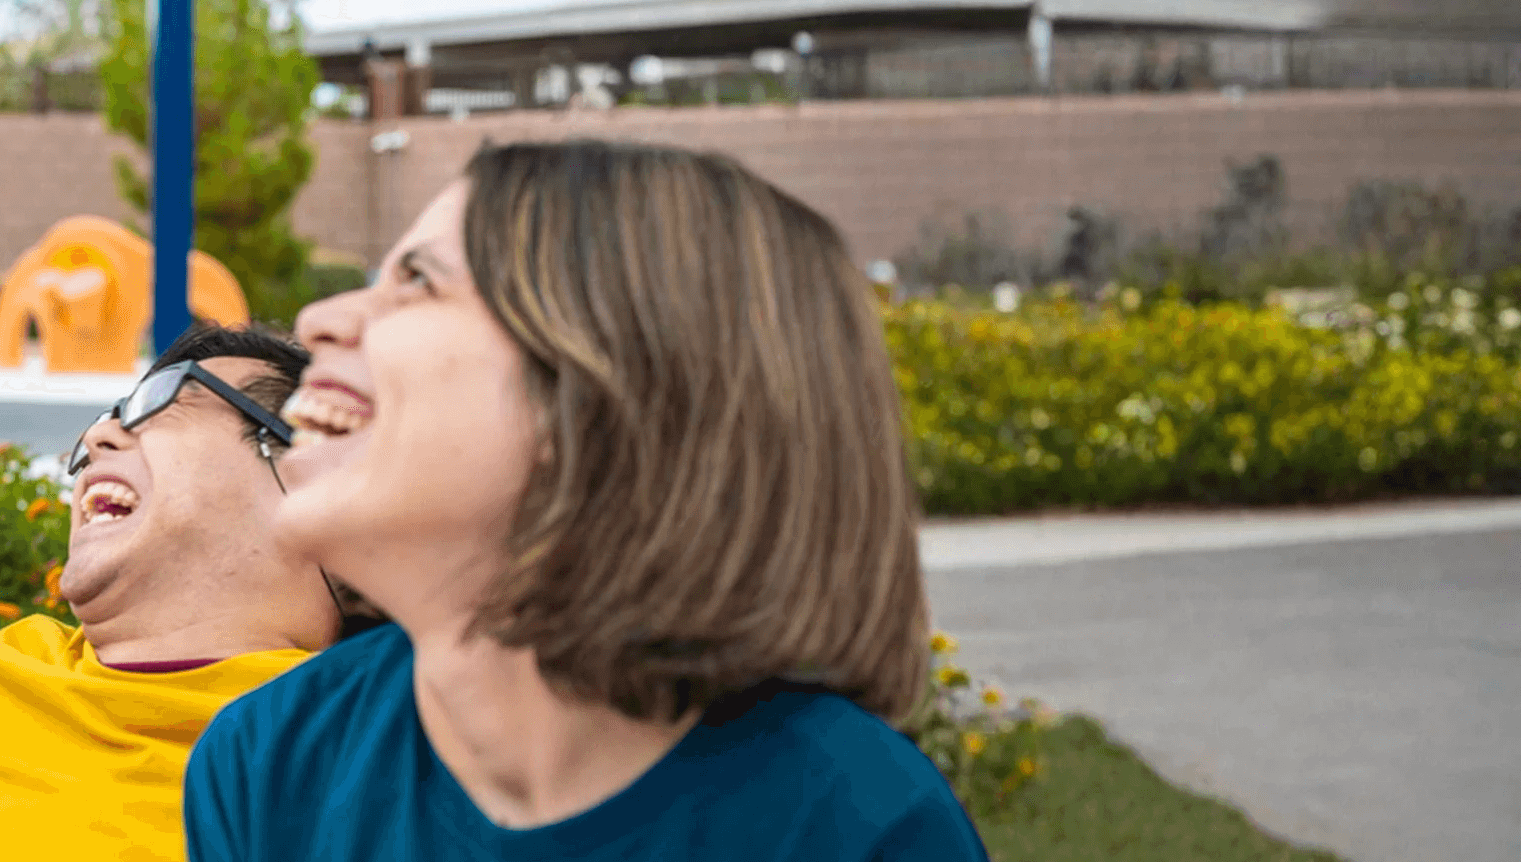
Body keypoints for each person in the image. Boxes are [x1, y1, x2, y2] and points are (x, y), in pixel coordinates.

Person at [185, 140, 984, 860]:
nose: (320, 319)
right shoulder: (270, 761)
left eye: (419, 280)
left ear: (601, 399)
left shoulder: (857, 827)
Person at [0, 323, 354, 862]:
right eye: (108, 416)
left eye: (158, 403)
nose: (96, 438)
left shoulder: (365, 750)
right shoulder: (3, 669)